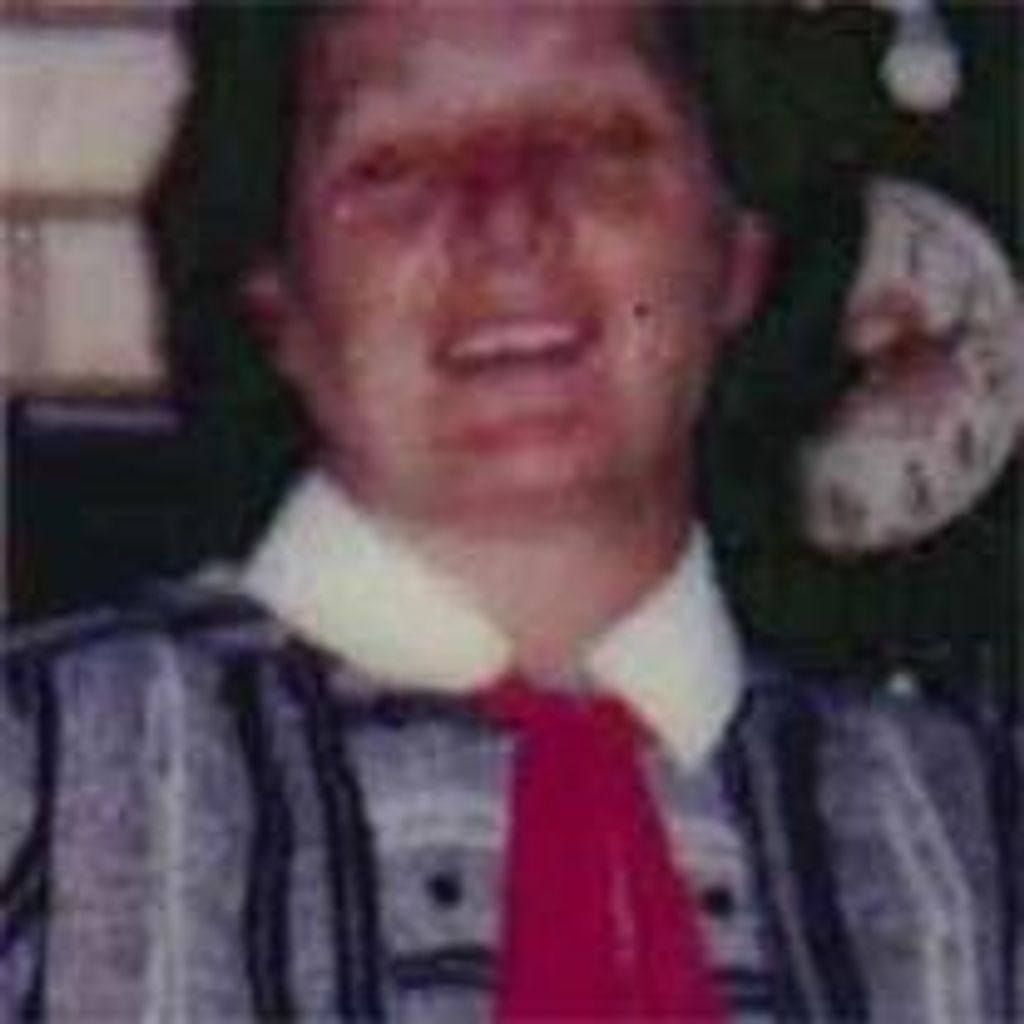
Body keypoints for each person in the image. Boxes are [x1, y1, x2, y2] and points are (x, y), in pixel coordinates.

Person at [2, 2, 1017, 1021]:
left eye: (601, 140)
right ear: (276, 295)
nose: (506, 218)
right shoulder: (32, 775)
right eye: (391, 164)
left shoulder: (978, 834)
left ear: (739, 255)